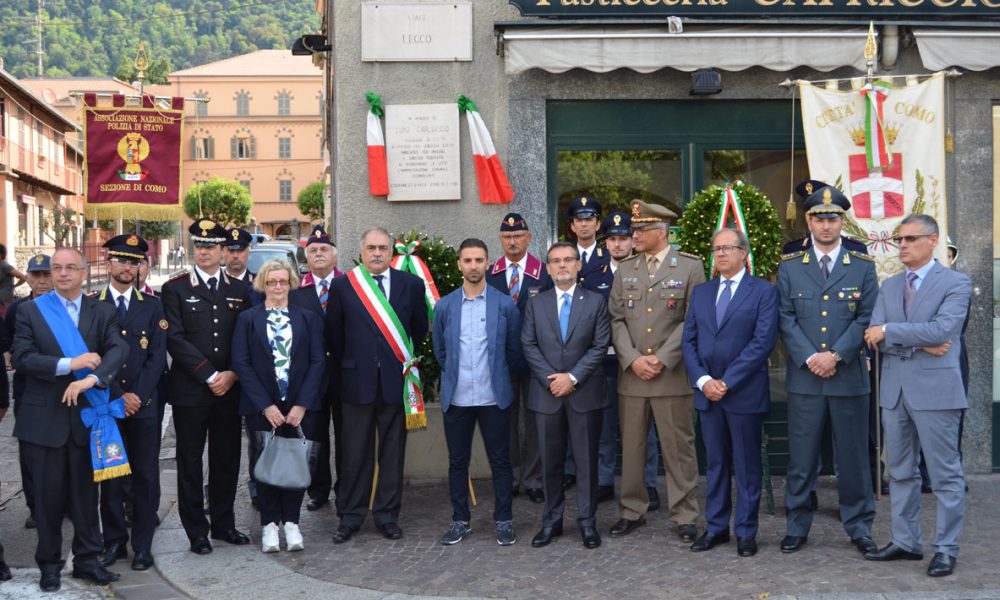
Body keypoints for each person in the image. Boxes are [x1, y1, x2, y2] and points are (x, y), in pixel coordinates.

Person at [12, 247, 128, 592]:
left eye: (69, 268)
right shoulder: (30, 311)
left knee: (85, 497)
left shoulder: (102, 311)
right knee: (47, 501)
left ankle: (88, 560)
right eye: (55, 269)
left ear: (83, 272)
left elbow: (118, 351)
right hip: (43, 421)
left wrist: (92, 379)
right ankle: (49, 565)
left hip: (87, 419)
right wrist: (71, 364)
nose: (61, 274)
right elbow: (23, 357)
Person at [862, 215, 970, 577]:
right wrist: (921, 341)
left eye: (910, 238)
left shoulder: (956, 282)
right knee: (900, 473)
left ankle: (945, 548)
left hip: (936, 392)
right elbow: (871, 334)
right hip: (894, 391)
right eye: (899, 239)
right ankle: (906, 542)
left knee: (944, 476)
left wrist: (892, 330)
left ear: (933, 240)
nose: (902, 245)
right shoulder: (889, 286)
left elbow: (942, 328)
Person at [777, 186, 878, 555]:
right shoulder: (790, 267)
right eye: (818, 218)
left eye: (832, 217)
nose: (825, 224)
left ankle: (859, 524)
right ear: (808, 221)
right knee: (802, 459)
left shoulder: (863, 267)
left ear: (842, 221)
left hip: (848, 376)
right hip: (806, 378)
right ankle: (797, 525)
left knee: (852, 458)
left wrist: (835, 355)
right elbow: (785, 318)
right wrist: (810, 358)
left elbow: (868, 316)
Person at [609, 200, 705, 542]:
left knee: (678, 448)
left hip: (671, 375)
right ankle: (632, 510)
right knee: (632, 449)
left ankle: (685, 515)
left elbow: (692, 320)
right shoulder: (625, 270)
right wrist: (633, 358)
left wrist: (662, 357)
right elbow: (616, 320)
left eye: (640, 230)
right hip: (633, 376)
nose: (633, 236)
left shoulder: (690, 268)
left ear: (660, 232)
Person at [327, 227, 429, 543]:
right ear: (361, 251)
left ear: (391, 252)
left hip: (395, 384)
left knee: (392, 454)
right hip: (356, 383)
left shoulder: (411, 285)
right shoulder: (344, 286)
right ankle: (350, 516)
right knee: (354, 454)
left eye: (383, 248)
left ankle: (387, 515)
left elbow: (419, 329)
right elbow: (333, 335)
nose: (377, 253)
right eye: (371, 247)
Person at [681, 228, 779, 557]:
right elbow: (689, 341)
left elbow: (762, 342)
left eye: (728, 248)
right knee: (716, 464)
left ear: (743, 253)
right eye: (717, 248)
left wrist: (727, 381)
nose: (721, 254)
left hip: (743, 393)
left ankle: (746, 531)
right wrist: (704, 380)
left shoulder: (763, 292)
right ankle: (716, 527)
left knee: (747, 466)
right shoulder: (702, 292)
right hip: (708, 395)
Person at [161, 219, 253, 555]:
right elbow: (175, 337)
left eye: (211, 246)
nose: (204, 252)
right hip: (191, 390)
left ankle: (224, 524)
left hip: (229, 390)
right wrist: (209, 375)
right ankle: (195, 531)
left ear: (222, 251)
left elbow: (246, 339)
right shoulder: (175, 289)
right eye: (199, 246)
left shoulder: (241, 291)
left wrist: (231, 374)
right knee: (190, 460)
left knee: (226, 458)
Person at [432, 238, 521, 546]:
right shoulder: (444, 306)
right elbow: (441, 352)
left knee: (500, 461)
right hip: (457, 398)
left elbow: (513, 351)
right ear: (459, 264)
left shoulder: (505, 305)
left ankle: (504, 519)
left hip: (493, 397)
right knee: (457, 461)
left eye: (479, 260)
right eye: (467, 260)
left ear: (488, 264)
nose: (473, 266)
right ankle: (460, 520)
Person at [232, 260, 325, 553]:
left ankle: (292, 523)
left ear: (291, 284)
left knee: (296, 463)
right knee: (266, 463)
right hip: (263, 407)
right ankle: (270, 525)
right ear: (263, 284)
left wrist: (302, 404)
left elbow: (317, 360)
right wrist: (265, 405)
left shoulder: (307, 318)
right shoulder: (248, 319)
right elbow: (241, 362)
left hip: (298, 406)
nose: (277, 287)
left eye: (282, 281)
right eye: (271, 282)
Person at [522, 242, 610, 549]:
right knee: (550, 462)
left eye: (568, 260)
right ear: (547, 268)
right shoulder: (536, 303)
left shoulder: (596, 302)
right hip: (546, 395)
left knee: (586, 462)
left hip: (584, 392)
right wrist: (552, 381)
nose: (562, 265)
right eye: (556, 261)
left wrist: (571, 378)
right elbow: (528, 345)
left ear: (577, 266)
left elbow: (600, 346)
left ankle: (587, 522)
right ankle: (552, 521)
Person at [92, 235, 167, 572]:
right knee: (110, 474)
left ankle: (142, 545)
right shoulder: (93, 304)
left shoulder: (152, 306)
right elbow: (94, 358)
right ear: (108, 263)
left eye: (133, 261)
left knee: (146, 477)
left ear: (140, 267)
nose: (126, 267)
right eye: (120, 260)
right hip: (107, 406)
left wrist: (136, 396)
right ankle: (114, 542)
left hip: (144, 406)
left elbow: (156, 357)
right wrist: (118, 396)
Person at [582, 210, 663, 506]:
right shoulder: (590, 277)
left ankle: (648, 483)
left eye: (624, 238)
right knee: (605, 424)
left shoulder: (649, 272)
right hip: (604, 362)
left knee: (644, 426)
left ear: (633, 241)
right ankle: (604, 480)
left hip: (639, 362)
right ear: (605, 243)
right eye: (612, 239)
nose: (618, 245)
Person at [485, 213, 552, 503]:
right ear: (500, 239)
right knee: (505, 420)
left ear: (529, 237)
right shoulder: (490, 274)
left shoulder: (545, 273)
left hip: (538, 359)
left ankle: (535, 479)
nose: (512, 242)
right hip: (502, 359)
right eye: (507, 237)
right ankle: (510, 477)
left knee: (537, 419)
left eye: (518, 236)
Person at [289, 225, 342, 513]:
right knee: (315, 435)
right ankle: (319, 490)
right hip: (311, 378)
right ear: (306, 257)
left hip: (345, 374)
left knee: (347, 436)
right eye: (313, 251)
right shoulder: (296, 291)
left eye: (324, 249)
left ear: (334, 255)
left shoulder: (351, 285)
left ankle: (345, 488)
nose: (318, 254)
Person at [1, 253, 52, 529]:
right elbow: (8, 345)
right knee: (30, 453)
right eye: (36, 276)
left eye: (46, 275)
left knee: (64, 451)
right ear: (28, 278)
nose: (42, 282)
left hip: (62, 391)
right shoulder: (17, 310)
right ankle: (35, 506)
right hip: (28, 392)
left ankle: (63, 502)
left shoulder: (66, 307)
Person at [782, 179, 869, 255]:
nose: (826, 226)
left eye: (831, 220)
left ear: (842, 221)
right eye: (818, 218)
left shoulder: (856, 249)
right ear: (807, 217)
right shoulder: (793, 250)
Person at [0, 243, 27, 319]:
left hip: (5, 302)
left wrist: (15, 286)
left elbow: (23, 277)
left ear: (1, 254)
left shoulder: (5, 266)